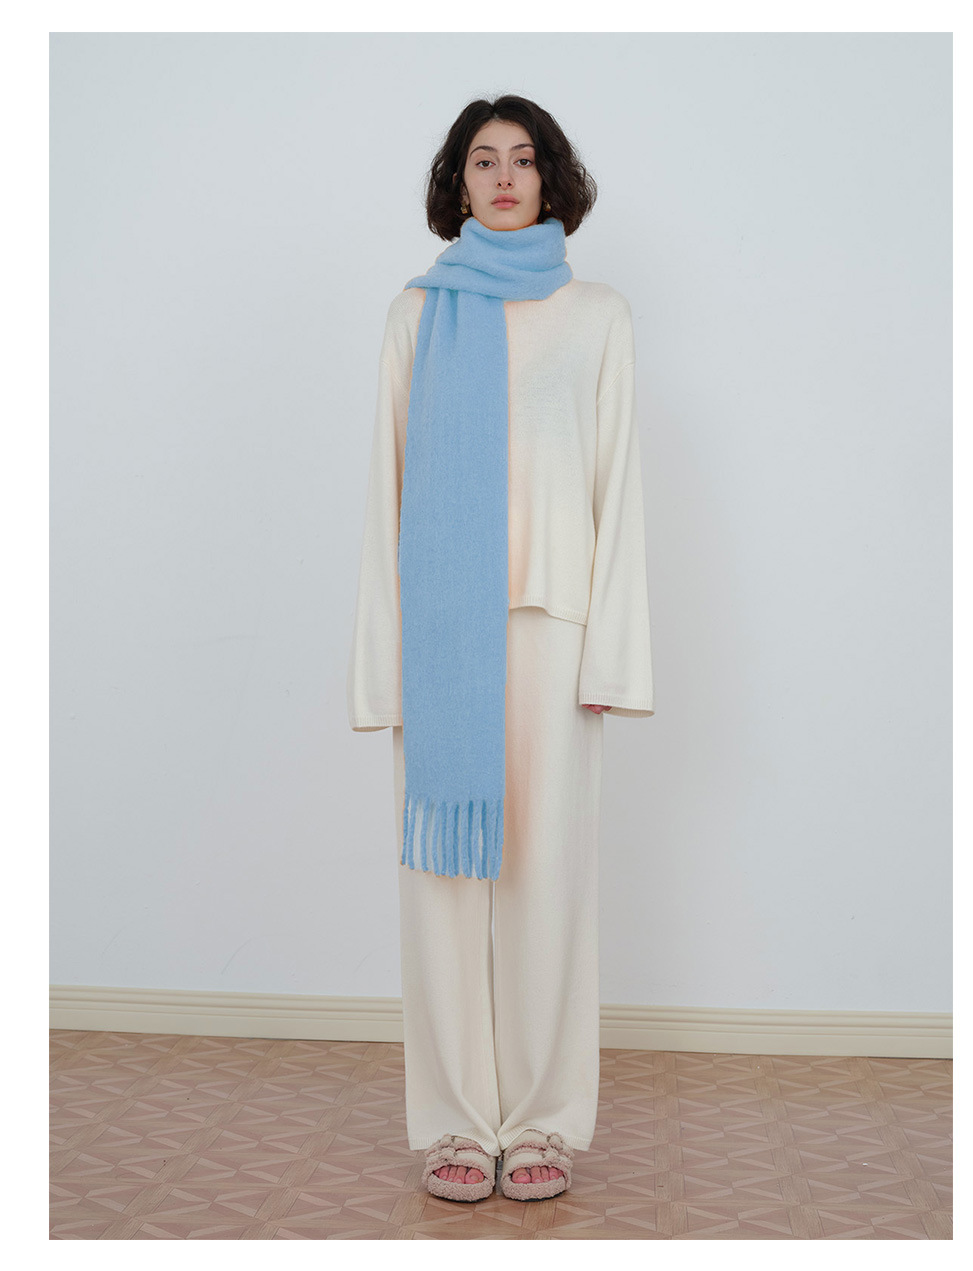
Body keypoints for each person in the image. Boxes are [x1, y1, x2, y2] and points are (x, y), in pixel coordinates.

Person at [346, 95, 655, 1203]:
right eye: (484, 160)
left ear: (552, 176)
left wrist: (612, 656)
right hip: (442, 633)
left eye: (524, 158)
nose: (506, 176)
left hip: (552, 628)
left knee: (547, 881)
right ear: (458, 181)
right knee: (441, 884)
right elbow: (384, 492)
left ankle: (542, 1122)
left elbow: (618, 486)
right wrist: (381, 663)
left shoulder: (598, 314)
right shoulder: (415, 314)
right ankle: (453, 1122)